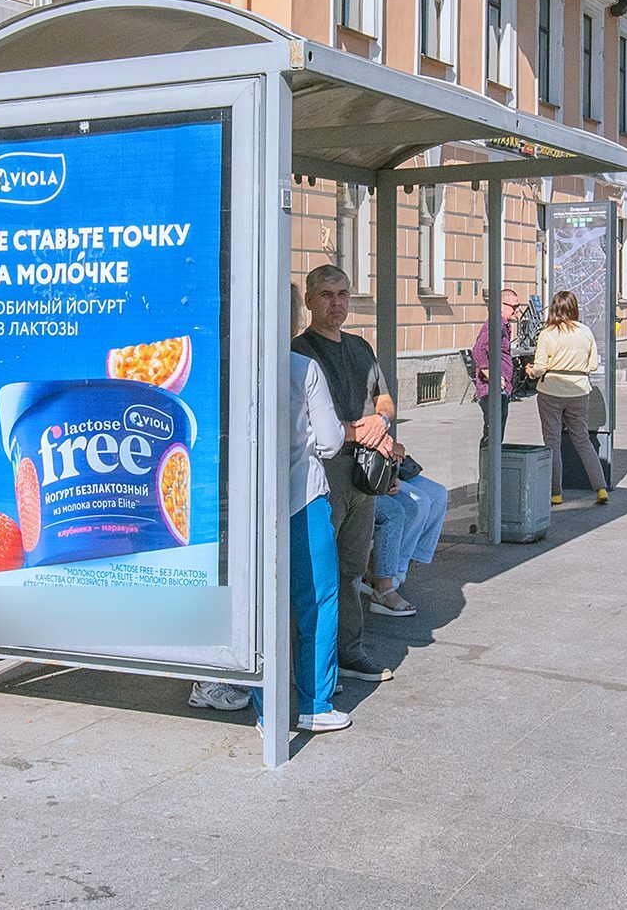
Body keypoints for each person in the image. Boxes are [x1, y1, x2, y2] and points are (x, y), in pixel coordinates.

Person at [190, 351, 351, 732]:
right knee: (318, 600)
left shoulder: (222, 358)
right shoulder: (303, 367)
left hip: (241, 504)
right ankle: (315, 704)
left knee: (257, 605)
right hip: (302, 498)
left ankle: (267, 711)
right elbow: (330, 442)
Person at [291, 265, 396, 683]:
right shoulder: (301, 351)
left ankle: (350, 651)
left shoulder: (360, 347)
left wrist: (381, 422)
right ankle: (309, 663)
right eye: (326, 295)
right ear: (309, 301)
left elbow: (384, 398)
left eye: (342, 294)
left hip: (362, 475)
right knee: (317, 572)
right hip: (322, 474)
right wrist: (359, 430)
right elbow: (308, 423)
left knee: (351, 568)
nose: (336, 303)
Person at [527, 290, 609, 507]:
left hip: (551, 390)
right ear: (574, 308)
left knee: (552, 442)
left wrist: (531, 372)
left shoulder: (547, 333)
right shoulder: (585, 332)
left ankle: (556, 493)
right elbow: (593, 365)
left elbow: (540, 367)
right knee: (582, 440)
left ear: (554, 308)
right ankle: (600, 487)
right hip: (579, 391)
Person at [367, 447, 448, 617]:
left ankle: (398, 563)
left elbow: (396, 446)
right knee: (418, 502)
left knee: (438, 493)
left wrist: (393, 447)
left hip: (390, 465)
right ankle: (386, 576)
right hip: (368, 466)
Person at [471, 289, 518, 443]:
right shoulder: (496, 323)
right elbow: (478, 349)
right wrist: (492, 376)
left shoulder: (502, 324)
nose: (516, 311)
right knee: (492, 436)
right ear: (500, 306)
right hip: (492, 390)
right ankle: (488, 459)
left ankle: (492, 459)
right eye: (513, 307)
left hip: (500, 389)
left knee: (496, 434)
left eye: (518, 307)